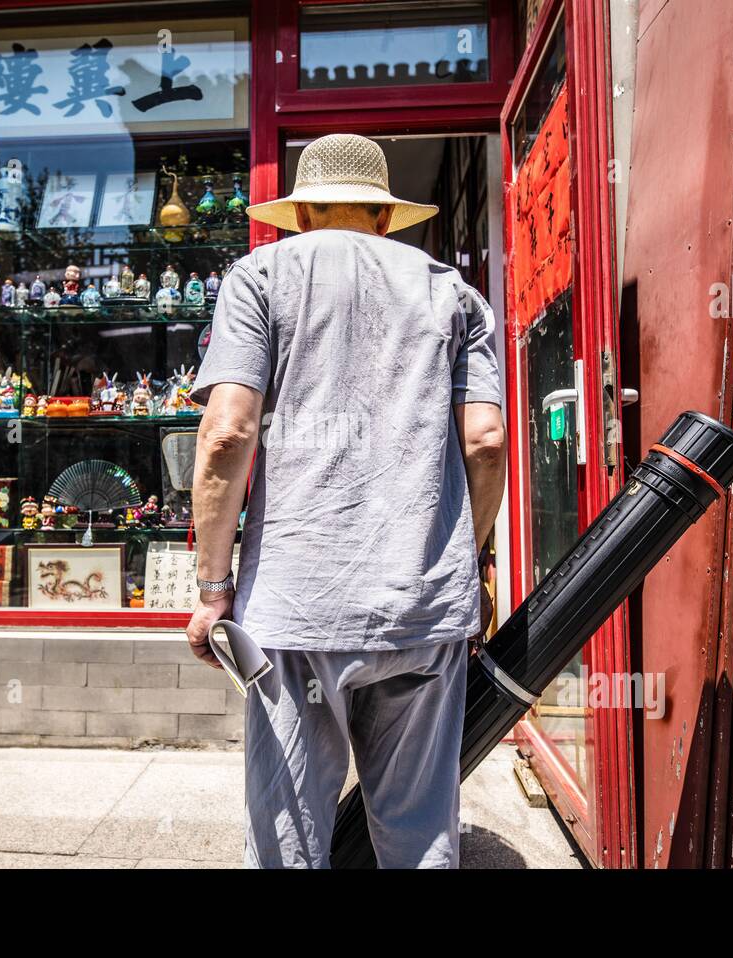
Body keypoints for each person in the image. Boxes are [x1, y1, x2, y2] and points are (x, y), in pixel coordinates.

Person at [185, 133, 507, 868]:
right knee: (421, 830)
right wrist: (472, 560)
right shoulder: (452, 291)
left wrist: (211, 586)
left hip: (296, 608)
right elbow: (485, 440)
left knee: (288, 835)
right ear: (384, 216)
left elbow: (227, 433)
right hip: (424, 605)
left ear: (302, 214)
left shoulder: (260, 276)